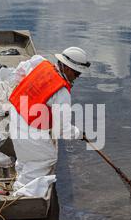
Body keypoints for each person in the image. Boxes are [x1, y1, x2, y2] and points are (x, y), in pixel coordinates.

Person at [8, 47, 91, 190]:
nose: (77, 77)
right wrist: (79, 134)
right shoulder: (62, 93)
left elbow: (20, 73)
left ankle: (21, 176)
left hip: (15, 115)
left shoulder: (42, 64)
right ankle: (24, 192)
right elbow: (62, 129)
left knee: (25, 156)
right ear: (66, 67)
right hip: (28, 127)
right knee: (46, 158)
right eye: (76, 72)